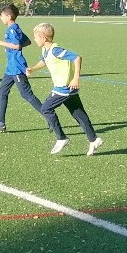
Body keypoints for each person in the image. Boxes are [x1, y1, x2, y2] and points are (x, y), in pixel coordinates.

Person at [26, 22, 102, 155]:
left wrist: (76, 78)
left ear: (44, 38)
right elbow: (44, 60)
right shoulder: (45, 50)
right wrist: (33, 68)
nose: (34, 39)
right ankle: (94, 139)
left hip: (64, 88)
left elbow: (77, 58)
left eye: (36, 37)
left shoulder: (56, 50)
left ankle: (61, 138)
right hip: (64, 87)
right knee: (78, 113)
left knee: (46, 108)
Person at [0, 4, 43, 133]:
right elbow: (27, 41)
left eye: (2, 16)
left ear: (8, 16)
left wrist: (1, 43)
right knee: (2, 92)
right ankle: (0, 123)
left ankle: (50, 117)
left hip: (17, 67)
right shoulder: (15, 28)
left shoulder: (12, 29)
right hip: (10, 68)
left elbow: (17, 46)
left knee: (27, 95)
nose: (0, 18)